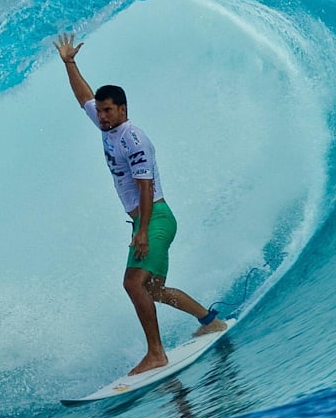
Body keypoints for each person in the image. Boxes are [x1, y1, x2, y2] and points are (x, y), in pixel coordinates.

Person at [55, 32, 227, 375]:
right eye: (100, 112)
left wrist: (144, 231)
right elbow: (84, 98)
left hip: (156, 218)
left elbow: (145, 188)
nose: (101, 116)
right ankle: (209, 321)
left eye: (108, 111)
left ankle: (156, 353)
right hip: (148, 221)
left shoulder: (133, 139)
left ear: (123, 109)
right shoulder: (107, 129)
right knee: (152, 289)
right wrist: (70, 63)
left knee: (133, 283)